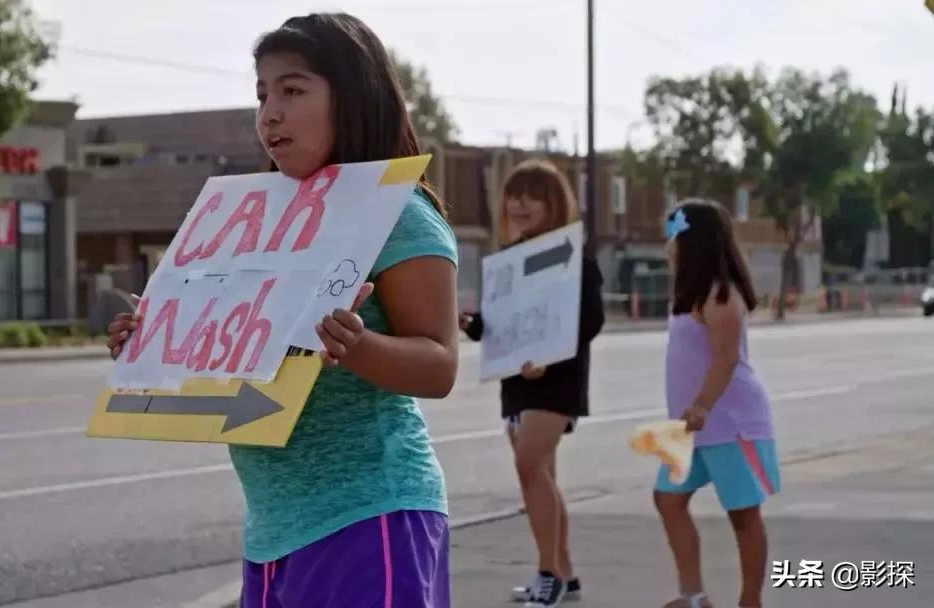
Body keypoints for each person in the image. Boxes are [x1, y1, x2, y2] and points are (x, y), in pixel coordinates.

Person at [106, 13, 460, 607]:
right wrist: (154, 342)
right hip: (272, 531)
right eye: (262, 93)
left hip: (370, 515)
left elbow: (440, 365)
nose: (270, 112)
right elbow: (232, 368)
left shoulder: (400, 215)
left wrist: (358, 346)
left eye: (293, 90)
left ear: (353, 98)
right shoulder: (258, 223)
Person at [461, 159, 605, 608]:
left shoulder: (574, 258)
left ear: (554, 203)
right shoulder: (511, 261)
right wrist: (474, 325)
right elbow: (505, 322)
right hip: (518, 382)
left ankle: (548, 574)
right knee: (541, 475)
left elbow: (590, 320)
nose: (519, 204)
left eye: (533, 196)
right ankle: (565, 573)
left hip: (556, 383)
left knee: (530, 467)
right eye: (513, 195)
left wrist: (549, 355)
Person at [654, 200, 780, 608]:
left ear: (696, 242)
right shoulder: (687, 293)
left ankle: (750, 601)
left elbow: (726, 359)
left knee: (743, 514)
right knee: (667, 498)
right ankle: (694, 596)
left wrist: (703, 405)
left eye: (674, 236)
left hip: (730, 421)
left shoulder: (721, 294)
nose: (668, 246)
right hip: (691, 426)